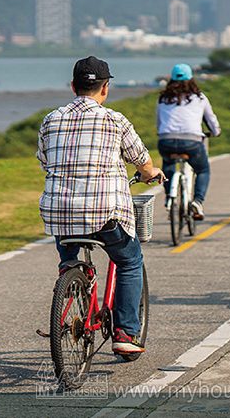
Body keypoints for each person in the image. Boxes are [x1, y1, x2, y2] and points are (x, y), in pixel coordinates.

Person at [37, 56, 164, 356]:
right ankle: (125, 333)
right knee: (130, 261)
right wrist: (151, 173)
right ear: (105, 88)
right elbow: (142, 161)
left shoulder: (50, 119)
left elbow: (44, 160)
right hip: (106, 213)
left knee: (68, 251)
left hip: (60, 212)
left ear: (73, 86)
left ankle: (70, 276)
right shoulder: (115, 120)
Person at [157, 63, 221, 221]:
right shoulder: (199, 97)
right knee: (203, 170)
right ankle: (198, 202)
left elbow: (159, 125)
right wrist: (215, 132)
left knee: (168, 164)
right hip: (192, 142)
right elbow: (211, 121)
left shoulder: (163, 98)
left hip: (166, 140)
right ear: (191, 79)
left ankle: (169, 199)